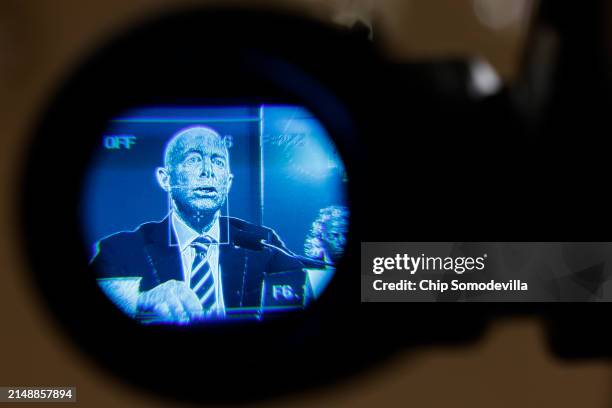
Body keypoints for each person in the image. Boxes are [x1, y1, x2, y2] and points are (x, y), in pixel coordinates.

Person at [92, 126, 304, 323]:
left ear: (228, 183)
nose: (207, 171)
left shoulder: (262, 244)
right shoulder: (121, 250)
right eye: (193, 160)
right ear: (165, 179)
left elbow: (304, 289)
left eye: (218, 162)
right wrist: (141, 299)